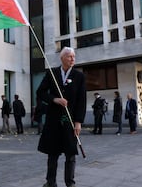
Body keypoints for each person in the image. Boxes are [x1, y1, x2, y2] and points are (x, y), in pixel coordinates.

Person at [37, 47, 86, 187]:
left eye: (74, 56)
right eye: (70, 56)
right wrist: (54, 99)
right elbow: (40, 92)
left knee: (70, 153)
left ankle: (70, 183)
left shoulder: (79, 76)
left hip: (69, 120)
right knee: (52, 153)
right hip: (53, 120)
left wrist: (78, 122)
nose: (72, 59)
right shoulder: (52, 73)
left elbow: (81, 100)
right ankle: (50, 182)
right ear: (62, 58)